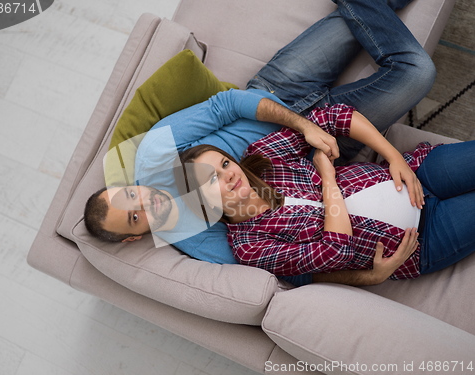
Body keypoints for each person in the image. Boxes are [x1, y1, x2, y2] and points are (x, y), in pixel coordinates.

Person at [85, 0, 436, 286]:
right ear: (135, 236)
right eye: (135, 218)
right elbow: (291, 266)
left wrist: (301, 123)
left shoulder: (152, 155)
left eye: (132, 195)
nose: (147, 203)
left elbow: (225, 105)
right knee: (418, 72)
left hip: (279, 93)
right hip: (317, 154)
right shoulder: (195, 240)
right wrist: (368, 277)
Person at [179, 103, 475, 285]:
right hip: (425, 239)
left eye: (225, 162)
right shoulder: (250, 247)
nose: (229, 172)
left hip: (417, 171)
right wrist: (328, 179)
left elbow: (334, 116)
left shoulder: (262, 157)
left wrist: (394, 157)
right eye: (211, 179)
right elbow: (335, 251)